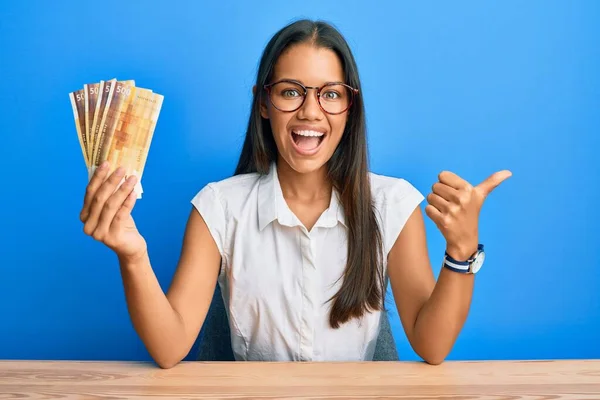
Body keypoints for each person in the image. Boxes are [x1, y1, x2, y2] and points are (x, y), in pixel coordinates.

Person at [79, 19, 511, 368]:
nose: (310, 111)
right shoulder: (219, 207)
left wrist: (460, 250)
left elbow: (432, 346)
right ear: (263, 104)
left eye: (330, 94)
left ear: (350, 107)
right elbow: (169, 347)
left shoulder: (392, 204)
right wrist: (132, 254)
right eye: (290, 91)